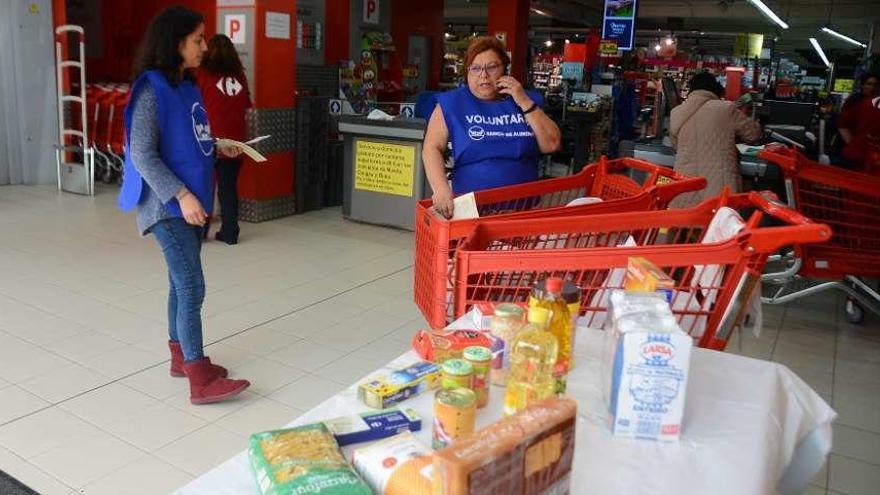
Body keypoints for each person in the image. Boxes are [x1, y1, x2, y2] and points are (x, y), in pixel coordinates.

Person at [118, 6, 250, 404]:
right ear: (176, 43)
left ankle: (180, 357)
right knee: (192, 285)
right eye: (197, 39)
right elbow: (142, 154)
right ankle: (198, 375)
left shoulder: (189, 86)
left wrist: (218, 145)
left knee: (180, 284)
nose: (204, 47)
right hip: (168, 206)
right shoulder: (151, 88)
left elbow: (190, 139)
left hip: (190, 202)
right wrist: (181, 194)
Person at [422, 36, 561, 218]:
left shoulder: (525, 100)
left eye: (492, 67)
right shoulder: (452, 103)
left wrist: (524, 101)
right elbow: (431, 147)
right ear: (467, 72)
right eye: (476, 68)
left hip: (523, 210)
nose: (483, 75)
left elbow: (552, 144)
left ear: (505, 69)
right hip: (471, 211)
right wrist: (440, 189)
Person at [669, 72, 762, 207]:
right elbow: (753, 134)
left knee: (686, 224)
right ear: (714, 88)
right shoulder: (726, 109)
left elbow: (676, 146)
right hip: (718, 189)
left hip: (684, 186)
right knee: (717, 224)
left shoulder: (676, 112)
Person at [198, 34, 252, 245]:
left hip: (208, 139)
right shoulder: (240, 76)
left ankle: (201, 230)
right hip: (236, 140)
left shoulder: (203, 75)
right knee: (228, 188)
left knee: (205, 185)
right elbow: (247, 104)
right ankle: (230, 232)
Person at [837, 73, 880, 172]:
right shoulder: (855, 101)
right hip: (854, 149)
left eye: (875, 85)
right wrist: (851, 142)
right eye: (869, 84)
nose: (872, 87)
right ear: (862, 85)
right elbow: (842, 123)